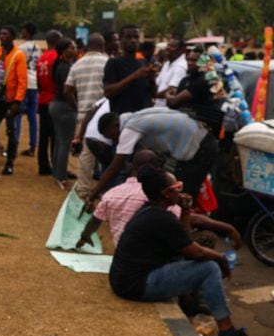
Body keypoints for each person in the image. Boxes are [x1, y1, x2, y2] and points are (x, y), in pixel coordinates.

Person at [108, 167, 262, 336]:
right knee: (209, 268)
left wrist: (185, 210)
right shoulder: (161, 218)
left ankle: (190, 304)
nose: (182, 191)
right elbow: (195, 251)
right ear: (166, 193)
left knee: (185, 256)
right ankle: (227, 331)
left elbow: (184, 239)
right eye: (178, 187)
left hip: (125, 281)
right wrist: (220, 258)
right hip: (137, 285)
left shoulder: (151, 210)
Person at [78, 150, 243, 248]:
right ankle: (191, 297)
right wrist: (227, 228)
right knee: (206, 238)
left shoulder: (112, 193)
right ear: (158, 169)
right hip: (151, 253)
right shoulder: (160, 194)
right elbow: (190, 220)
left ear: (132, 167)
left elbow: (95, 220)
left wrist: (85, 237)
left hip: (123, 250)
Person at [88, 106, 216, 202]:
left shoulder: (129, 129)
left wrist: (92, 196)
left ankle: (181, 230)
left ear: (116, 126)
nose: (115, 141)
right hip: (200, 138)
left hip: (200, 146)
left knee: (183, 193)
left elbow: (114, 168)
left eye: (113, 136)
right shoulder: (133, 117)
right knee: (177, 187)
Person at [63, 33, 109, 199]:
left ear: (87, 47)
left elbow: (67, 90)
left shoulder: (77, 65)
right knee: (107, 155)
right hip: (105, 116)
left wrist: (77, 108)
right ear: (102, 47)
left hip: (84, 115)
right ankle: (105, 191)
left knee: (85, 157)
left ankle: (82, 191)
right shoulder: (107, 62)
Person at [0, 28, 28, 175]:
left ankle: (9, 163)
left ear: (12, 37)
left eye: (5, 34)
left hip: (11, 100)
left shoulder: (19, 55)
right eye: (1, 33)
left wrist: (18, 101)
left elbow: (22, 81)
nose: (1, 36)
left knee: (11, 132)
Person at [167, 47, 225, 134]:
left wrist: (167, 94)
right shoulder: (187, 79)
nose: (190, 63)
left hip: (201, 130)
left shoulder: (205, 79)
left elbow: (173, 103)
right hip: (188, 126)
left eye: (194, 60)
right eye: (188, 60)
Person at [103, 24, 155, 115]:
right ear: (120, 40)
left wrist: (151, 78)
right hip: (123, 117)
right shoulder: (114, 63)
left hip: (143, 117)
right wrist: (134, 76)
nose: (133, 40)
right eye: (128, 37)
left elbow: (152, 93)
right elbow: (108, 92)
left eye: (136, 37)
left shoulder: (144, 62)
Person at [48, 38, 78, 185]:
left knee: (60, 141)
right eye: (71, 48)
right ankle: (61, 176)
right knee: (65, 142)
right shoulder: (66, 68)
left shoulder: (58, 65)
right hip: (65, 106)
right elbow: (68, 91)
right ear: (64, 51)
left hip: (56, 105)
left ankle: (57, 173)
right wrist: (76, 107)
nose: (74, 50)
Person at [35, 30, 62, 176]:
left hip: (43, 99)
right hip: (54, 99)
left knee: (44, 135)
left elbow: (39, 83)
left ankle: (43, 165)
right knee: (56, 136)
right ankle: (56, 164)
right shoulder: (57, 57)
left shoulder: (42, 58)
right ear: (57, 41)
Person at [17, 23, 40, 156]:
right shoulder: (38, 48)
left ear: (28, 33)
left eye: (23, 31)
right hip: (35, 83)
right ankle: (32, 147)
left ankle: (15, 144)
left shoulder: (21, 48)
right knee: (32, 117)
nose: (22, 32)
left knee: (18, 116)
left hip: (24, 83)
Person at [154, 38, 187, 107]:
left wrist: (153, 95)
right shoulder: (167, 63)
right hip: (158, 106)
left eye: (172, 46)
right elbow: (157, 83)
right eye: (168, 45)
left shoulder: (180, 66)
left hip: (167, 110)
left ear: (182, 50)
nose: (168, 48)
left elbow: (172, 90)